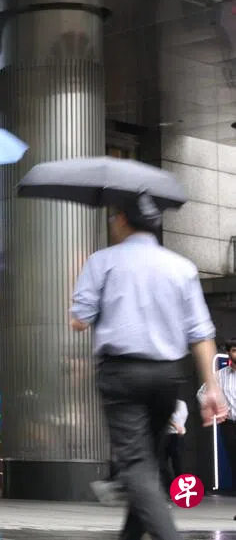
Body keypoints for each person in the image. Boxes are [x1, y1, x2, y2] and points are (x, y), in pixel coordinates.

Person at [70, 193, 228, 540]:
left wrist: (80, 285)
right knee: (148, 462)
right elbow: (201, 333)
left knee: (137, 465)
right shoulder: (181, 267)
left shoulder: (102, 261)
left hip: (121, 376)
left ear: (122, 220)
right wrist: (212, 388)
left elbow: (79, 320)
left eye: (113, 218)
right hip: (167, 377)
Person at [196, 339, 236, 495]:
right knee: (234, 458)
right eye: (234, 350)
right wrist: (216, 410)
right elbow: (201, 393)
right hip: (230, 424)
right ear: (228, 353)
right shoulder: (219, 376)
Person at [160, 399, 187, 492]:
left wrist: (176, 425)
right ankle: (169, 488)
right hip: (167, 435)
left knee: (177, 464)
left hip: (176, 436)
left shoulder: (181, 403)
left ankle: (180, 489)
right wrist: (175, 425)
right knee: (163, 464)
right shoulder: (165, 403)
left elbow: (179, 418)